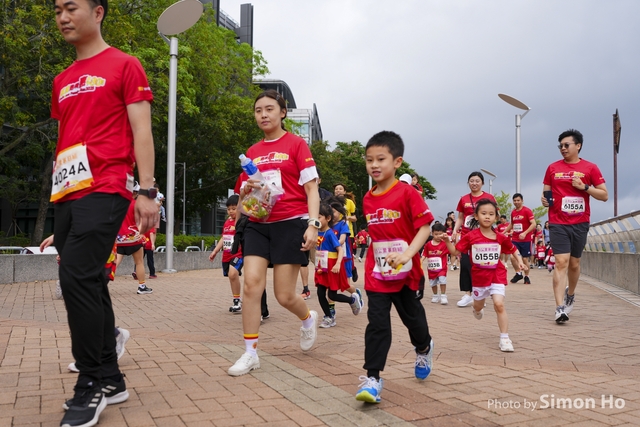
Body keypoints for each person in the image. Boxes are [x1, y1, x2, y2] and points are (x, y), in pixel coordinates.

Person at [50, 0, 158, 424]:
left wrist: (146, 190)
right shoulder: (61, 79)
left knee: (74, 277)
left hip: (108, 185)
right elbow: (65, 137)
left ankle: (90, 381)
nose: (62, 17)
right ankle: (111, 379)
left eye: (70, 7)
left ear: (97, 12)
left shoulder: (125, 65)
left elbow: (142, 129)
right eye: (57, 10)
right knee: (90, 280)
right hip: (67, 191)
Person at [228, 89, 320, 377]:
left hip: (290, 222)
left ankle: (307, 318)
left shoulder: (297, 145)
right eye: (258, 110)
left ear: (282, 113)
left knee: (284, 295)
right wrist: (245, 191)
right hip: (258, 223)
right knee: (251, 285)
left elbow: (312, 189)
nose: (263, 115)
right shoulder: (252, 152)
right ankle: (250, 353)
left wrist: (312, 224)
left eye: (269, 109)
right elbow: (244, 194)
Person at [355, 131, 434, 404]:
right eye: (369, 160)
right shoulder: (367, 198)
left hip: (406, 272)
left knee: (413, 319)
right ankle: (373, 379)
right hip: (378, 273)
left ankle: (423, 347)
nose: (374, 165)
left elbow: (425, 227)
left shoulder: (407, 193)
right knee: (377, 323)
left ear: (397, 162)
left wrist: (407, 254)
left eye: (381, 159)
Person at [541, 129, 607, 323]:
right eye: (560, 146)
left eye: (566, 145)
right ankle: (559, 308)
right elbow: (547, 193)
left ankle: (571, 294)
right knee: (561, 262)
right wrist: (545, 201)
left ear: (578, 146)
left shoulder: (590, 168)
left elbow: (604, 195)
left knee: (574, 263)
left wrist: (584, 187)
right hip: (557, 222)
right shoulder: (552, 168)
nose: (563, 148)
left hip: (579, 222)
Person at [444, 199, 525, 352]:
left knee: (499, 304)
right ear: (476, 216)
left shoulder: (500, 237)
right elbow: (455, 251)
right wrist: (447, 241)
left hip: (497, 275)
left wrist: (520, 262)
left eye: (491, 214)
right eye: (483, 213)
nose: (487, 217)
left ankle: (505, 338)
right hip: (479, 278)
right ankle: (477, 309)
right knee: (478, 306)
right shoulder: (470, 236)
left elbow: (513, 249)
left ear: (496, 217)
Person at [314, 203, 363, 328]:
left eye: (319, 217)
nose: (316, 220)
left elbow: (340, 249)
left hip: (332, 267)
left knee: (332, 295)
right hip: (321, 267)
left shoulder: (330, 233)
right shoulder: (316, 232)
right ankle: (329, 317)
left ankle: (352, 300)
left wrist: (337, 264)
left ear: (328, 218)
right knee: (320, 293)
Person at [452, 172, 497, 307]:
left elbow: (494, 215)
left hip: (483, 236)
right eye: (471, 181)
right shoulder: (464, 199)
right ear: (468, 183)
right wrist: (455, 231)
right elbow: (460, 217)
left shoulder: (489, 198)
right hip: (467, 236)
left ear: (482, 183)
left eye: (477, 181)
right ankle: (467, 294)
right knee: (465, 263)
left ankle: (480, 294)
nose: (474, 183)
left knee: (481, 265)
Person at [209, 195, 244, 313]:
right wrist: (215, 251)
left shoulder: (241, 221)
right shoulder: (227, 222)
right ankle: (236, 299)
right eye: (229, 209)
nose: (231, 211)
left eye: (234, 208)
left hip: (238, 254)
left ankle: (237, 302)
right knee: (231, 276)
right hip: (227, 255)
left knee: (233, 274)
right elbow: (224, 237)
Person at [115, 193, 152, 294]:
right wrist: (140, 232)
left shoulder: (117, 204)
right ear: (135, 193)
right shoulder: (136, 204)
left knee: (114, 263)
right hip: (133, 238)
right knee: (139, 262)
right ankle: (142, 286)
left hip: (120, 239)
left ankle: (101, 284)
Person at [504, 193, 536, 284]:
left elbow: (533, 224)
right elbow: (512, 224)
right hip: (515, 239)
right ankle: (518, 273)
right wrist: (504, 232)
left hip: (526, 239)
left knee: (525, 259)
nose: (516, 202)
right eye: (514, 200)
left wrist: (525, 233)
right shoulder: (513, 212)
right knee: (513, 257)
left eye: (518, 200)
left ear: (522, 201)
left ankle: (527, 276)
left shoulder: (527, 211)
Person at [421, 222, 449, 305]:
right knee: (432, 283)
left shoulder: (445, 244)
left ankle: (443, 296)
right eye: (436, 234)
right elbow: (425, 254)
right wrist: (421, 260)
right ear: (432, 233)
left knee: (442, 281)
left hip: (442, 268)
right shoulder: (428, 245)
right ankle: (435, 295)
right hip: (432, 269)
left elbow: (451, 250)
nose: (438, 236)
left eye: (440, 234)